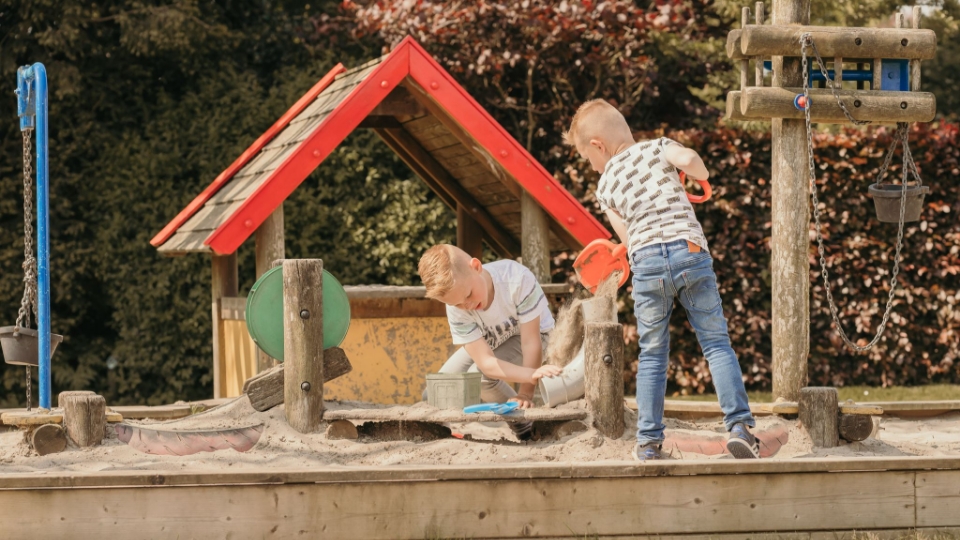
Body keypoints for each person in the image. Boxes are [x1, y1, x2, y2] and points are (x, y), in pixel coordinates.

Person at [563, 99, 760, 460]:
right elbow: (690, 160)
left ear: (598, 145)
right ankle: (740, 428)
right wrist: (700, 175)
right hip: (689, 251)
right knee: (716, 344)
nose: (590, 166)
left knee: (653, 354)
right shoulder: (657, 147)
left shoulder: (605, 186)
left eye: (586, 158)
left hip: (648, 263)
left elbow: (626, 238)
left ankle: (649, 442)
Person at [418, 244, 562, 440]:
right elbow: (486, 361)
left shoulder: (516, 279)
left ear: (476, 267)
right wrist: (529, 375)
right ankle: (443, 436)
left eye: (468, 295)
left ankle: (523, 424)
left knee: (481, 378)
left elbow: (530, 342)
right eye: (457, 304)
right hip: (492, 342)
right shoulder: (456, 308)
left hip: (536, 336)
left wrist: (525, 393)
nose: (467, 306)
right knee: (432, 394)